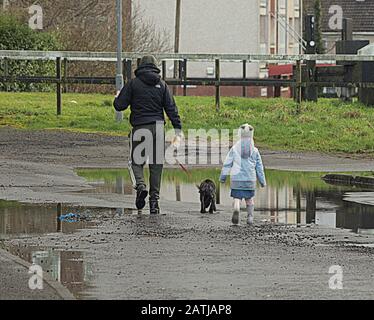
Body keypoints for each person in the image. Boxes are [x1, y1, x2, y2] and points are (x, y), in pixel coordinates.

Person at [113, 55, 182, 215]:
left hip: (140, 128)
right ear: (155, 66)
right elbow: (171, 108)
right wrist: (177, 128)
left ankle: (141, 186)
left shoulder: (133, 84)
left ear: (140, 66)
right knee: (156, 166)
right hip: (158, 128)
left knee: (137, 163)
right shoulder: (162, 84)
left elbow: (120, 106)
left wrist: (117, 97)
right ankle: (154, 203)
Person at [219, 124, 266, 225]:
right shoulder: (255, 151)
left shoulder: (234, 149)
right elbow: (259, 167)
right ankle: (250, 217)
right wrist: (262, 181)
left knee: (237, 198)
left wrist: (223, 177)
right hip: (250, 180)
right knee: (249, 199)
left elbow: (227, 163)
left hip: (236, 179)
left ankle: (236, 208)